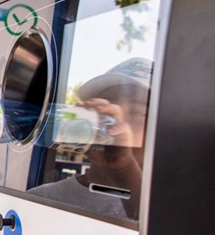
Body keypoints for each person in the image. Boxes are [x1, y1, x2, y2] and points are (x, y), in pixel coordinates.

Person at [29, 57, 153, 220]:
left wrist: (123, 168)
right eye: (105, 105)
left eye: (137, 112)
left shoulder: (165, 211)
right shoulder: (41, 199)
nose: (116, 119)